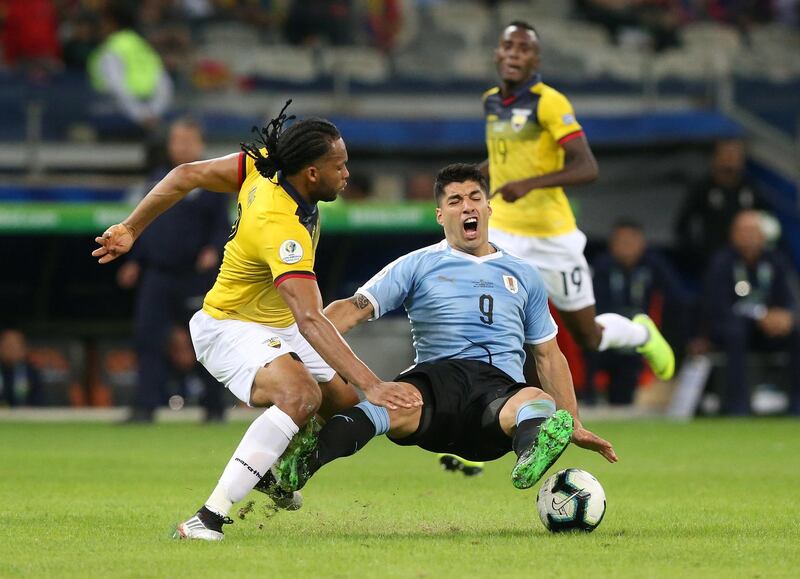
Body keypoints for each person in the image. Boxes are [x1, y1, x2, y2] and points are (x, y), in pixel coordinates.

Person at [92, 101, 421, 541]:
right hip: (228, 325)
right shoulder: (280, 225)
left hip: (276, 322)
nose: (347, 173)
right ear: (310, 174)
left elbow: (185, 174)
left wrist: (132, 227)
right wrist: (374, 382)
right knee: (300, 394)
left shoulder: (263, 166)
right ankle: (206, 519)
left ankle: (274, 473)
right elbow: (311, 318)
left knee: (345, 408)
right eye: (338, 165)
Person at [271, 164, 618, 497]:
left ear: (488, 208)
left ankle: (532, 451)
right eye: (455, 200)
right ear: (440, 215)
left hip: (496, 398)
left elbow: (548, 354)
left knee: (537, 401)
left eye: (474, 197)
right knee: (388, 402)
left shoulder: (523, 273)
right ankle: (300, 465)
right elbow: (350, 310)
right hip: (435, 391)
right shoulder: (417, 264)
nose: (467, 206)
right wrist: (294, 343)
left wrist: (572, 421)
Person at [480, 22, 674, 408]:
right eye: (508, 46)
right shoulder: (491, 101)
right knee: (495, 326)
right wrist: (477, 174)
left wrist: (530, 184)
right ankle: (499, 414)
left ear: (535, 59)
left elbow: (587, 167)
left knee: (588, 335)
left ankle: (639, 334)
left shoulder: (550, 103)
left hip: (552, 237)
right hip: (502, 231)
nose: (515, 53)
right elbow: (505, 158)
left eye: (524, 48)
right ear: (498, 53)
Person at [116, 118, 230, 423]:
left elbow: (224, 224)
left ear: (199, 144)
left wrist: (214, 248)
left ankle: (214, 406)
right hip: (157, 273)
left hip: (195, 274)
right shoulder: (157, 181)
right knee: (148, 337)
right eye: (176, 140)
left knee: (206, 340)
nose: (180, 145)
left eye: (187, 140)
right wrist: (134, 262)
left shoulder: (213, 181)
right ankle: (145, 406)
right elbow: (143, 225)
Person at [695, 210, 800, 416]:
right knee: (736, 331)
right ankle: (737, 405)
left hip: (769, 331)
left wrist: (786, 315)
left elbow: (789, 298)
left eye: (753, 231)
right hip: (731, 329)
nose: (748, 236)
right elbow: (718, 306)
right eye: (742, 231)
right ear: (732, 235)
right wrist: (760, 315)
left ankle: (796, 404)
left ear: (763, 235)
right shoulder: (722, 262)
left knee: (796, 331)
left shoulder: (776, 260)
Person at [586, 220, 689, 405]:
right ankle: (588, 401)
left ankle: (625, 406)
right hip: (605, 333)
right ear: (612, 244)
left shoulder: (655, 266)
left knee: (627, 377)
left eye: (631, 241)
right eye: (621, 241)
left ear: (642, 243)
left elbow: (677, 299)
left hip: (638, 334)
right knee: (589, 348)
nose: (626, 247)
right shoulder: (601, 267)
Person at [676, 139, 768, 274]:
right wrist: (698, 253)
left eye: (735, 156)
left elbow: (767, 220)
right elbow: (682, 225)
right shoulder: (703, 188)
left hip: (747, 260)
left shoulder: (750, 188)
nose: (730, 161)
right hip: (713, 260)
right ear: (715, 158)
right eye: (726, 155)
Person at [87, 0, 173, 135]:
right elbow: (164, 84)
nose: (100, 26)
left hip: (115, 120)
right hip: (148, 117)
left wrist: (140, 115)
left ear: (111, 22)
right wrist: (152, 113)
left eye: (103, 21)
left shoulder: (112, 49)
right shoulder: (144, 46)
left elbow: (117, 87)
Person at [0, 329, 44, 407]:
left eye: (14, 346)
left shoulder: (32, 374)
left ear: (24, 350)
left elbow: (39, 403)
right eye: (6, 345)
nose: (10, 350)